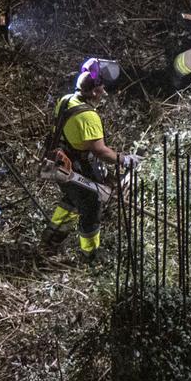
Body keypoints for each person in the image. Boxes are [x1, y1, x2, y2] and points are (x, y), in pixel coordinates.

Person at [44, 60, 134, 262]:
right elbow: (101, 152)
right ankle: (90, 255)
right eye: (102, 89)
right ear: (94, 92)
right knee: (91, 209)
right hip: (78, 170)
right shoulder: (89, 117)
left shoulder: (66, 100)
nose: (104, 93)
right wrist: (124, 159)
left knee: (71, 201)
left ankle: (50, 239)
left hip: (60, 165)